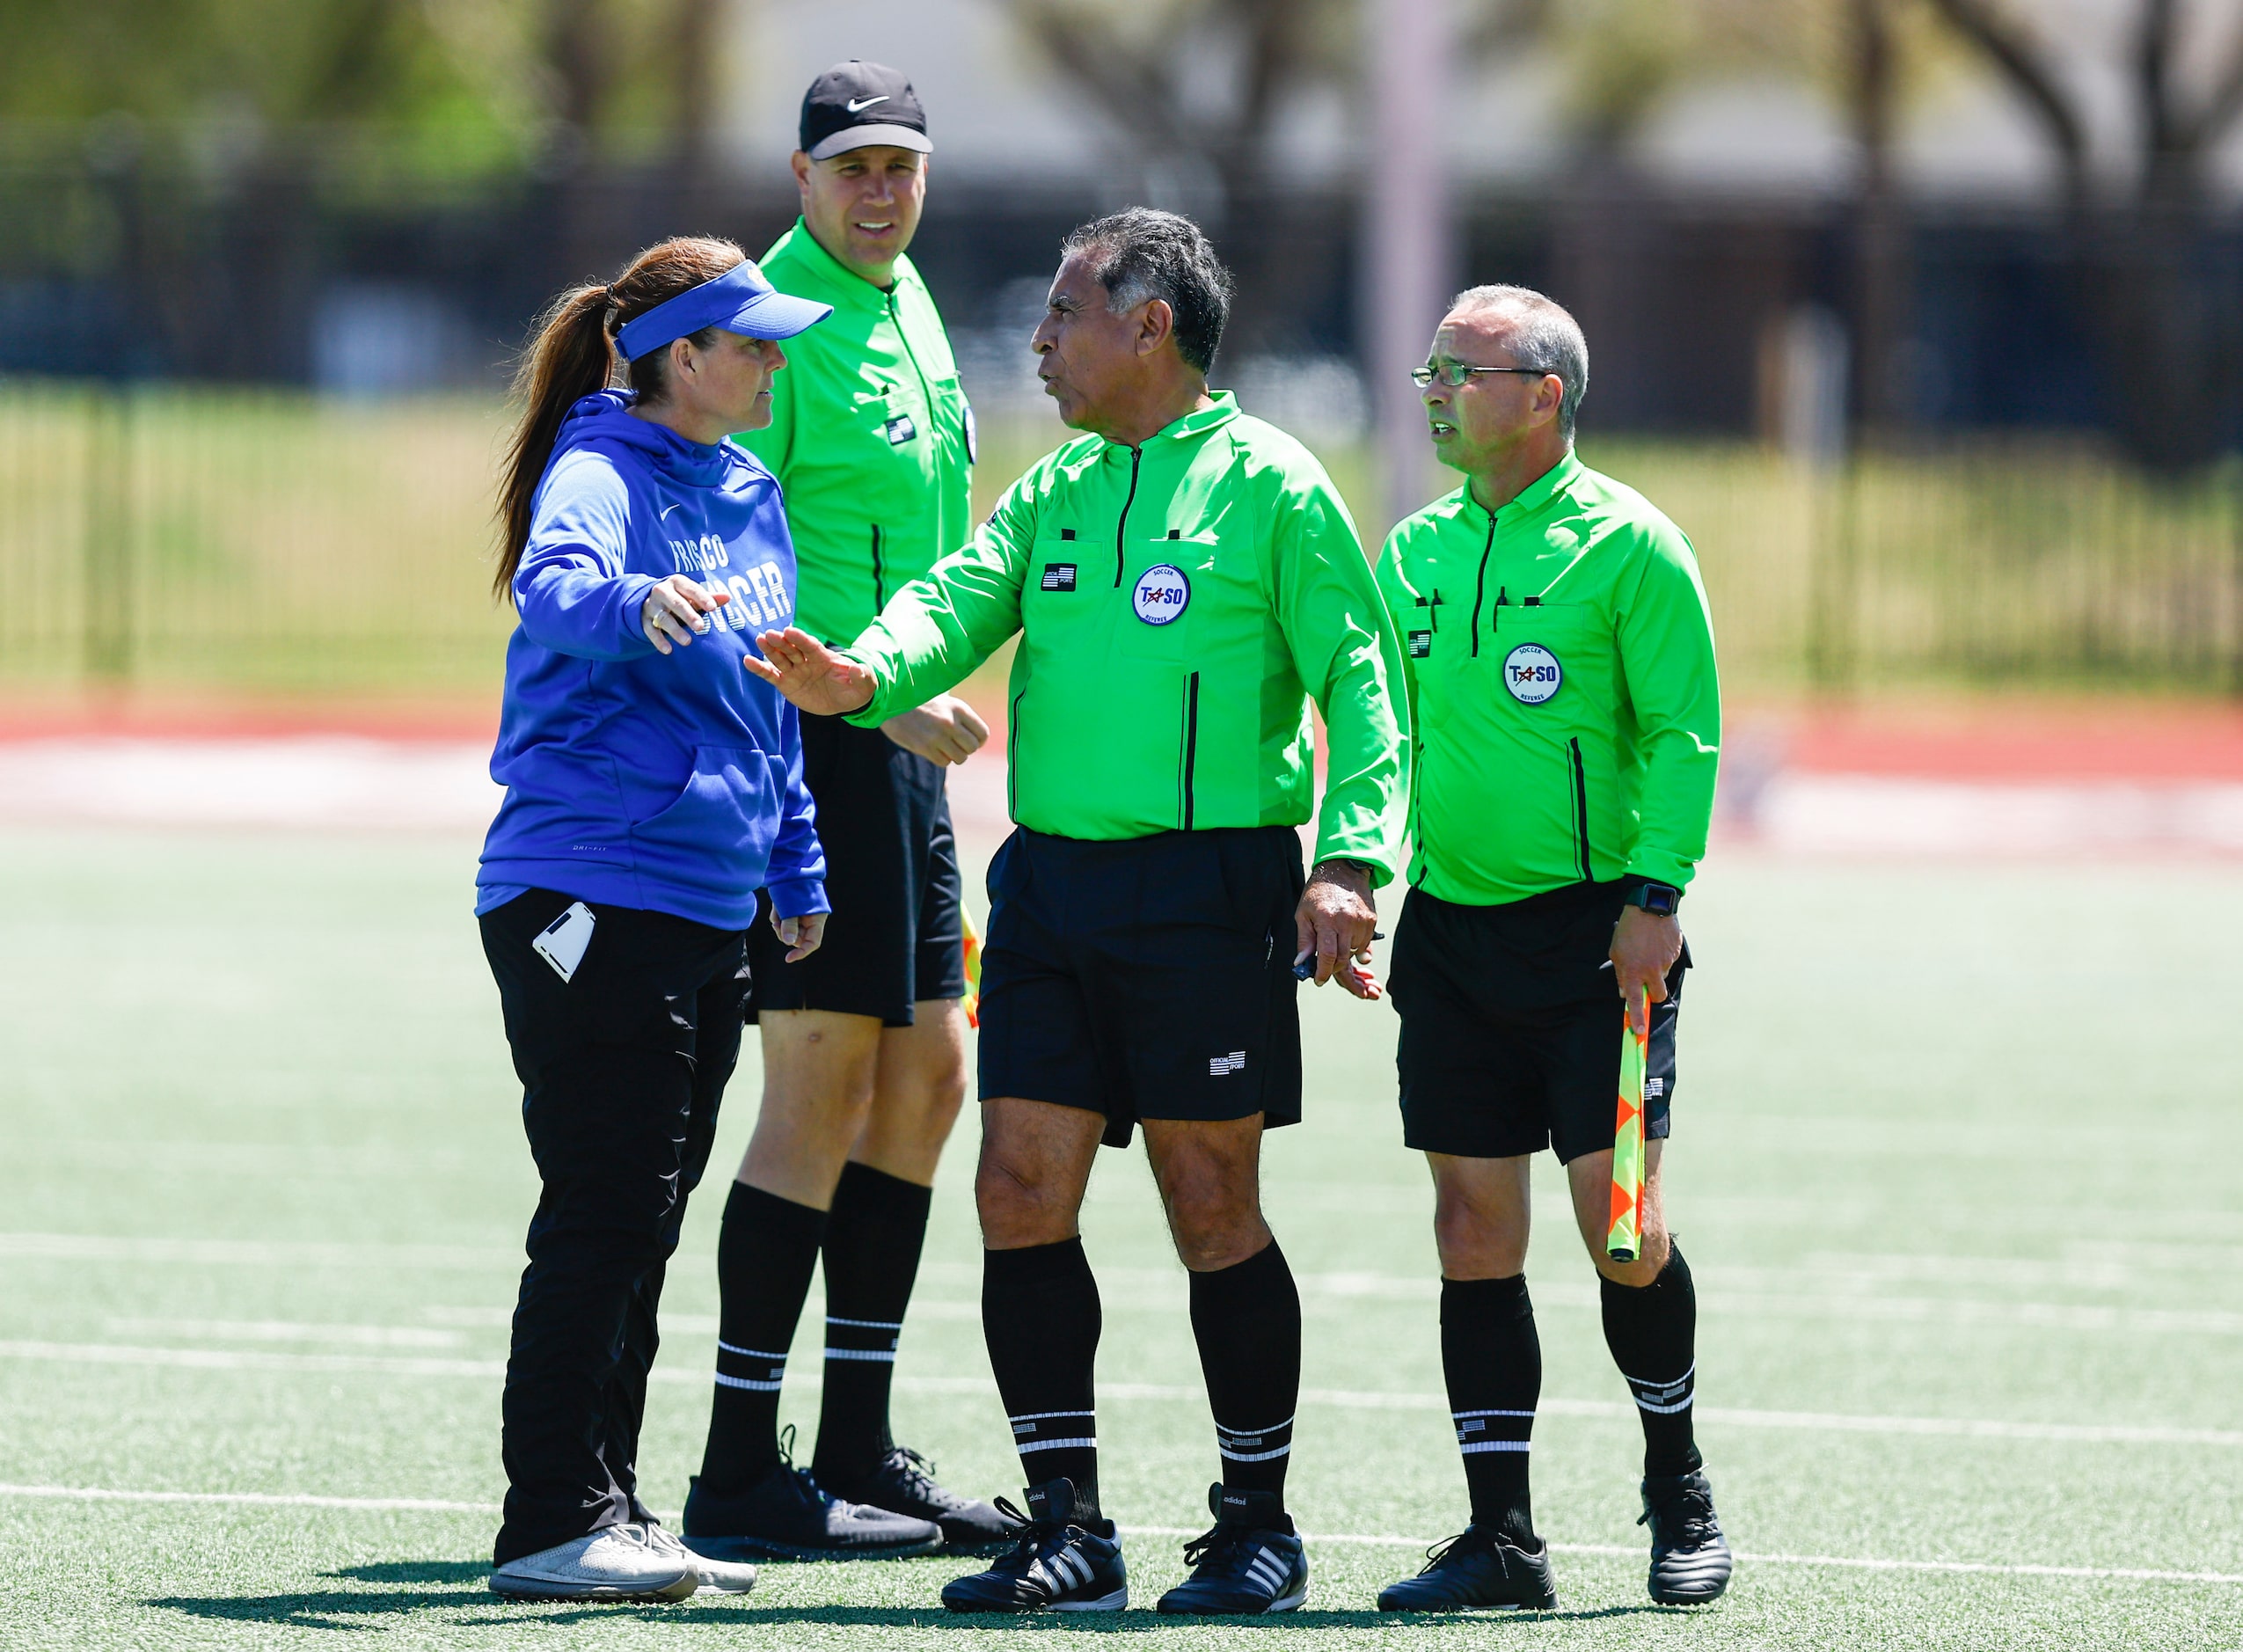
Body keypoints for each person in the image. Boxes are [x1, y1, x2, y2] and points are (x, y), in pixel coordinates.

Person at [746, 208, 1410, 1617]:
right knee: (1014, 1191)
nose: (1037, 339)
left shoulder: (1274, 489)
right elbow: (954, 598)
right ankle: (1068, 1523)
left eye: (1062, 314)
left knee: (1209, 1202)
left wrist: (1348, 859)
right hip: (1049, 890)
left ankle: (1255, 1525)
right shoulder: (1050, 491)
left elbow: (1362, 685)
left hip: (1207, 890)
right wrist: (857, 673)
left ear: (1147, 325)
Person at [475, 236, 844, 1601]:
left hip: (705, 898)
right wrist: (637, 597)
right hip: (586, 889)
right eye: (748, 342)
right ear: (677, 355)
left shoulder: (748, 487)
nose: (770, 361)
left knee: (650, 1212)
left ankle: (611, 1504)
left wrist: (794, 863)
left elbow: (768, 692)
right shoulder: (599, 469)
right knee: (606, 1203)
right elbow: (556, 590)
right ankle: (549, 1518)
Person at [681, 59, 1005, 1562]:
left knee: (930, 1075)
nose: (880, 191)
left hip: (899, 754)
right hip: (818, 750)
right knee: (814, 1094)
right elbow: (747, 583)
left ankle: (858, 1442)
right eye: (852, 166)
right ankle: (743, 1464)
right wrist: (884, 702)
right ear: (800, 175)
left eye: (901, 165)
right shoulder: (779, 323)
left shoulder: (916, 300)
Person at [1369, 285, 1732, 1612]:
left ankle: (1675, 1481)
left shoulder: (1630, 547)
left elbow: (1683, 732)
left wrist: (1658, 893)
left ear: (1544, 392)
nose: (1435, 391)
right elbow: (1375, 731)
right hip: (1451, 936)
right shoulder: (1408, 552)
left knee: (1620, 1229)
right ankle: (1499, 1537)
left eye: (1461, 371)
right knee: (1471, 1229)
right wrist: (1343, 868)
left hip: (1598, 943)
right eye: (1431, 370)